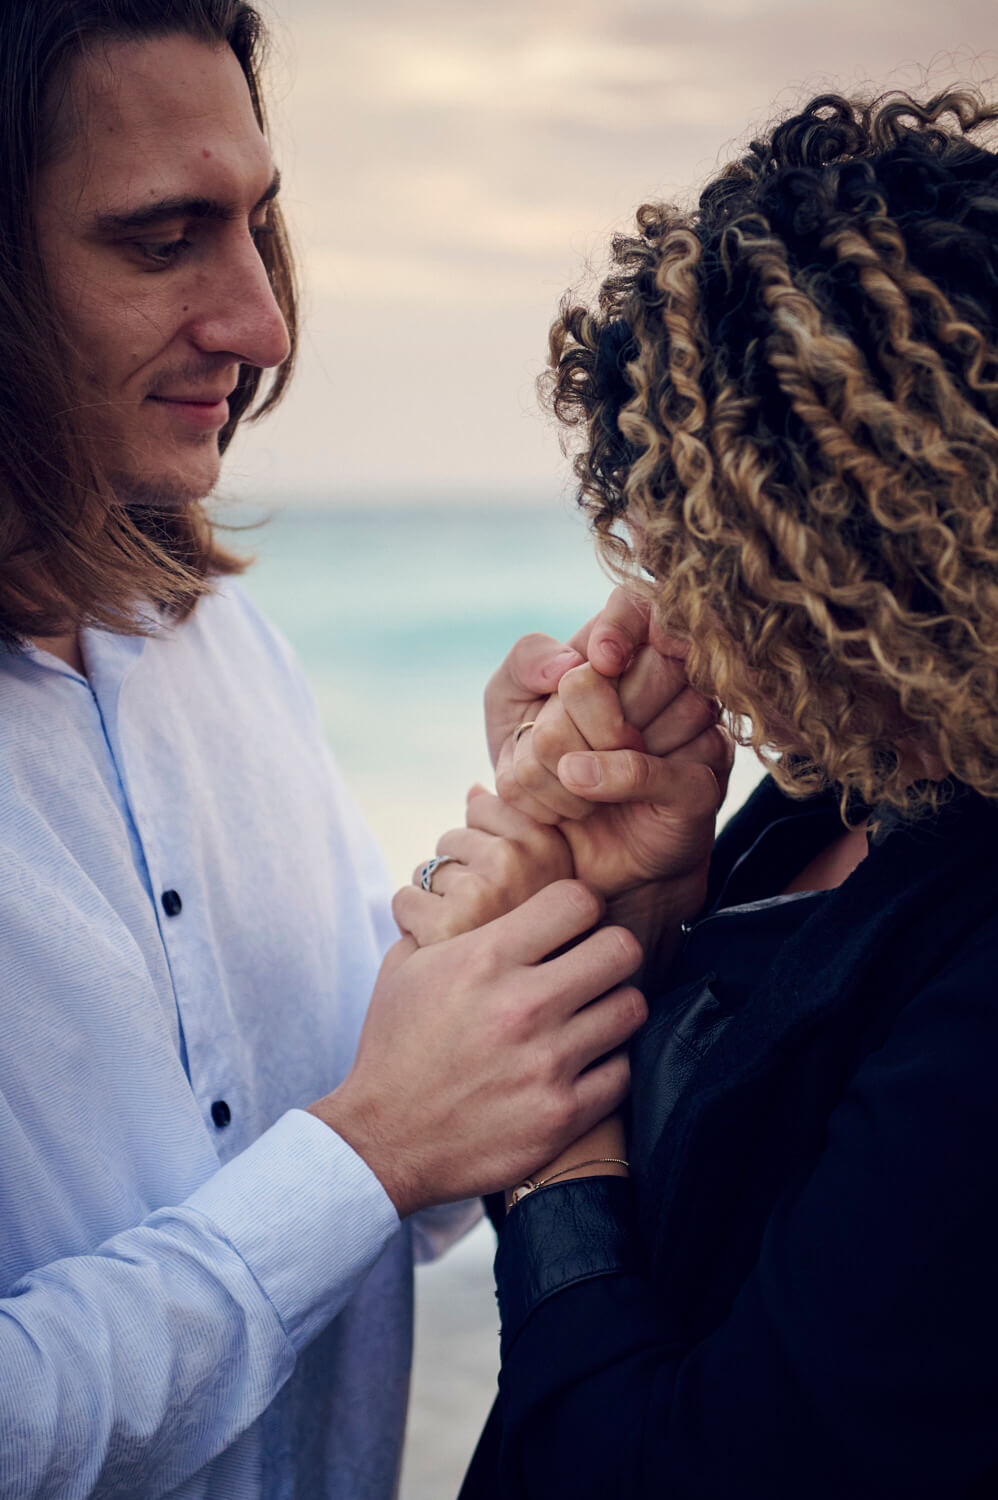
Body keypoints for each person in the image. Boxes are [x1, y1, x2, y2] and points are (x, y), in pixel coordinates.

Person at [0, 4, 675, 1496]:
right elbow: (372, 1152)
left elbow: (400, 1161)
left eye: (255, 227)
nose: (262, 326)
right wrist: (366, 1149)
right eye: (161, 238)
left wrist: (538, 867)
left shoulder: (217, 650)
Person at [399, 88, 998, 1497]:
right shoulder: (841, 805)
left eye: (702, 549)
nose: (661, 614)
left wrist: (544, 1146)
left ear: (859, 544)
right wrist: (629, 904)